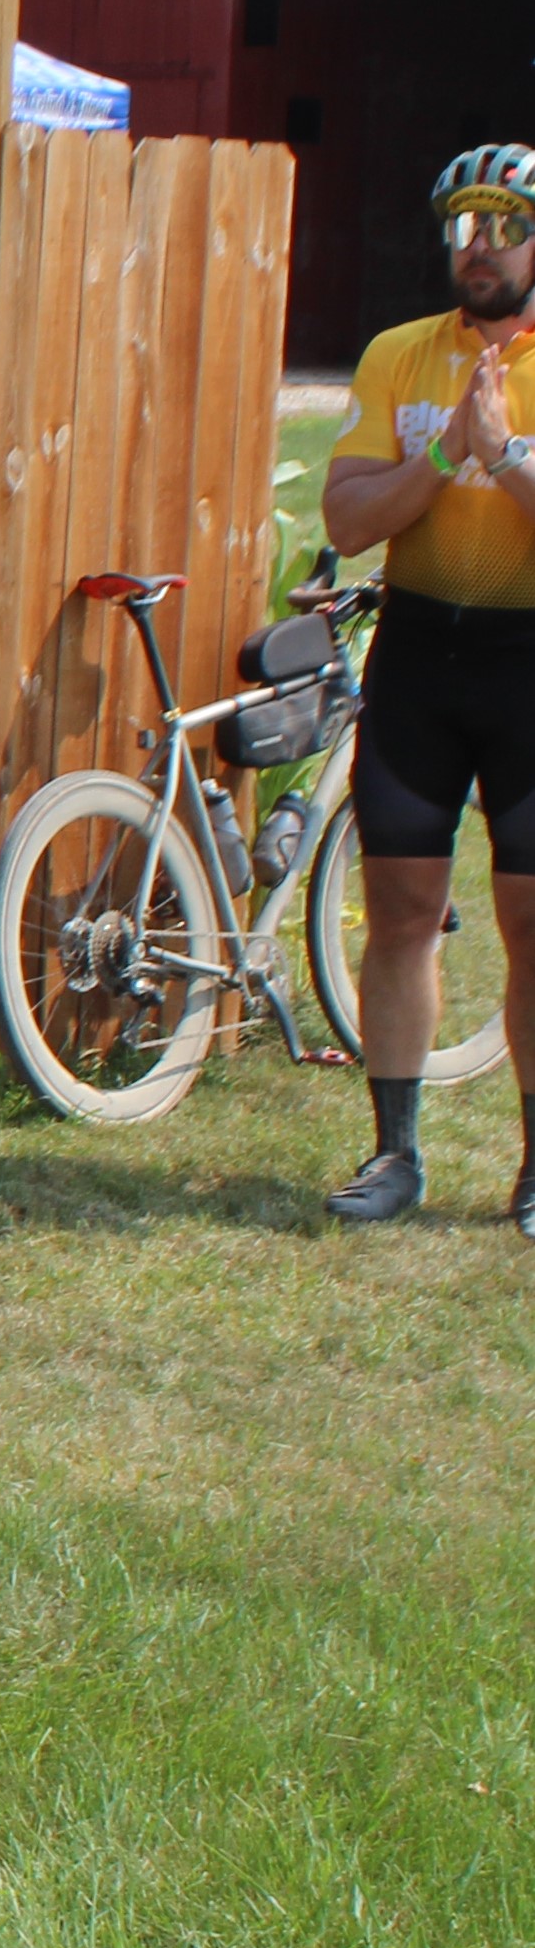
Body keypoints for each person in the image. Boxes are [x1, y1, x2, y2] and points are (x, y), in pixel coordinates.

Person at [316, 142, 535, 1232]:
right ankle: (392, 1154)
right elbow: (348, 521)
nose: (480, 247)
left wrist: (503, 458)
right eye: (463, 226)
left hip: (527, 665)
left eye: (503, 224)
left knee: (530, 917)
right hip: (416, 656)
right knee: (400, 911)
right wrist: (442, 459)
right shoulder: (399, 356)